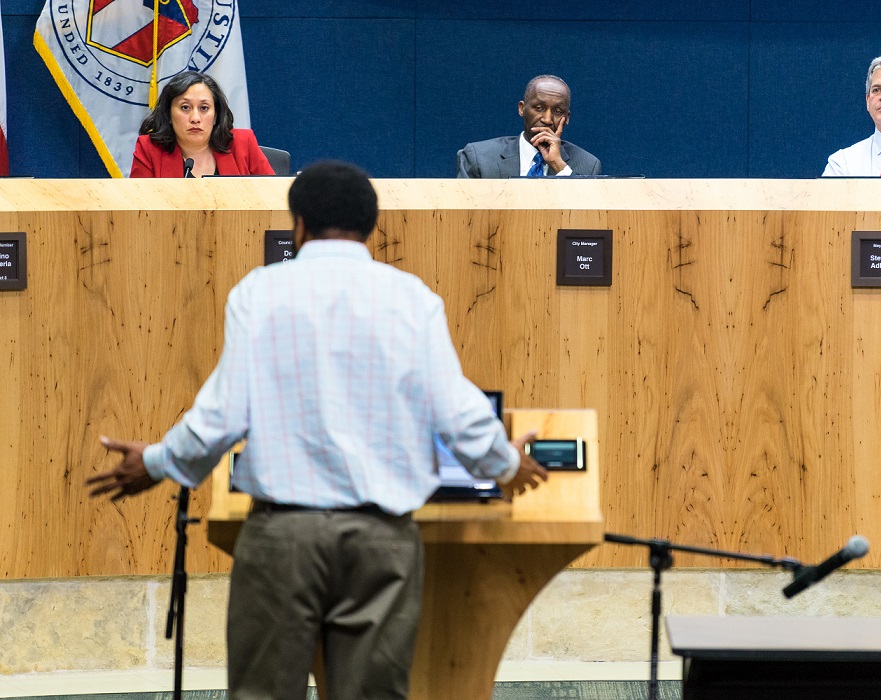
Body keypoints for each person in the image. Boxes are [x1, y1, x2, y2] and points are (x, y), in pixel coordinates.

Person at [86, 161, 548, 699]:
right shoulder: (412, 299)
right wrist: (507, 464)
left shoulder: (259, 293)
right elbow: (457, 411)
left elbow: (221, 415)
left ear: (298, 224)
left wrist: (159, 462)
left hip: (282, 538)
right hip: (383, 542)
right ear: (370, 228)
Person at [130, 71, 275, 178]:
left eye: (204, 108)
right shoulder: (149, 149)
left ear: (216, 115)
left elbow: (274, 198)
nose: (195, 118)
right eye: (185, 107)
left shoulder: (243, 143)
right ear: (168, 113)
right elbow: (139, 211)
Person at [457, 74, 602, 178]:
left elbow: (586, 218)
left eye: (558, 112)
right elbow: (464, 217)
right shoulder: (479, 158)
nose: (547, 119)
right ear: (522, 109)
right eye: (539, 108)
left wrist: (558, 165)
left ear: (567, 118)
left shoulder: (588, 166)